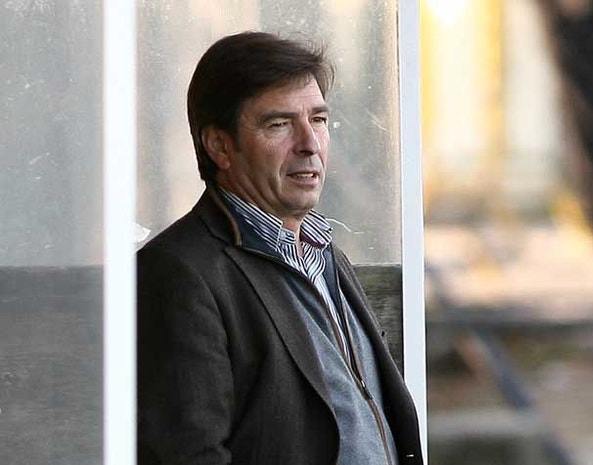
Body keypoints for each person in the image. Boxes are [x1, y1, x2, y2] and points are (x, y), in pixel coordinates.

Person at [137, 31, 424, 465]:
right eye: (279, 124)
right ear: (220, 146)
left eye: (319, 120)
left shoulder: (323, 255)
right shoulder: (178, 273)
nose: (309, 143)